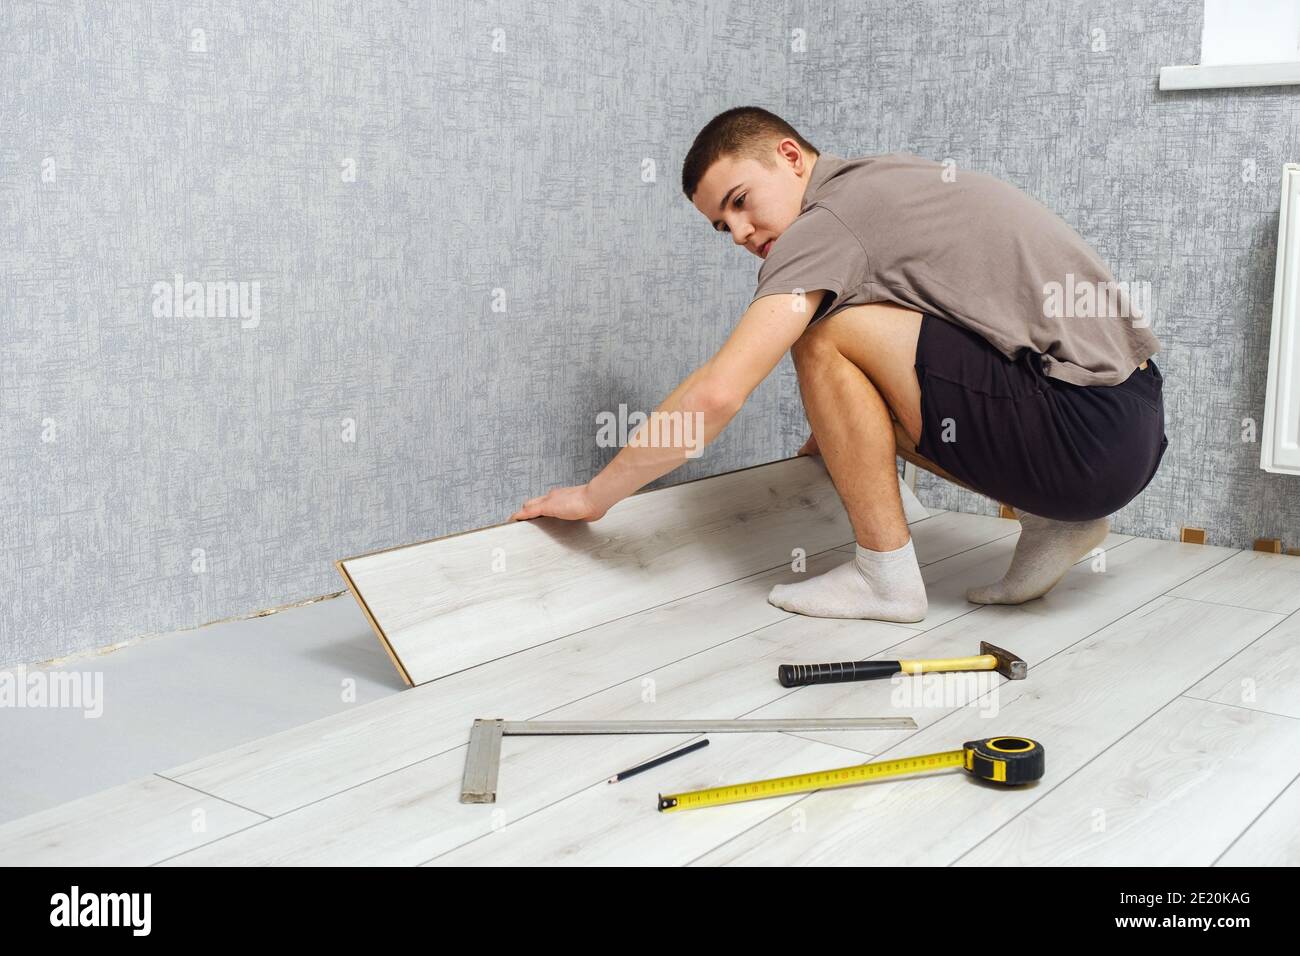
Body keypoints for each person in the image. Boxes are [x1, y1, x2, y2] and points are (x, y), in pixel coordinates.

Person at [511, 106, 1168, 624]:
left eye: (740, 201)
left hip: (1081, 433)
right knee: (843, 339)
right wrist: (839, 432)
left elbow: (718, 394)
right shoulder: (881, 183)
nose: (739, 234)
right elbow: (940, 344)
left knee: (821, 337)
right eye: (721, 226)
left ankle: (884, 578)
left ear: (790, 157)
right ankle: (1060, 520)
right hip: (1130, 423)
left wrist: (593, 497)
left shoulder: (824, 224)